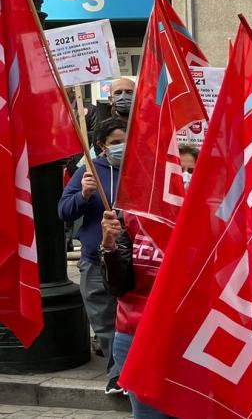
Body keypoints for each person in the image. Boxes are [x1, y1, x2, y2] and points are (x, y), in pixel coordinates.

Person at [59, 118, 125, 395]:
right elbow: (64, 211)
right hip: (96, 260)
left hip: (133, 258)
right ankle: (117, 374)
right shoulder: (88, 171)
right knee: (105, 320)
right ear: (102, 146)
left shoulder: (144, 166)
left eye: (126, 140)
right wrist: (84, 195)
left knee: (133, 320)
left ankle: (134, 369)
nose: (122, 147)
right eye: (115, 143)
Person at [100, 209, 168, 418]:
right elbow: (118, 287)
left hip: (190, 341)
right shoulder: (131, 215)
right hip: (136, 337)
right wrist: (109, 247)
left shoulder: (208, 209)